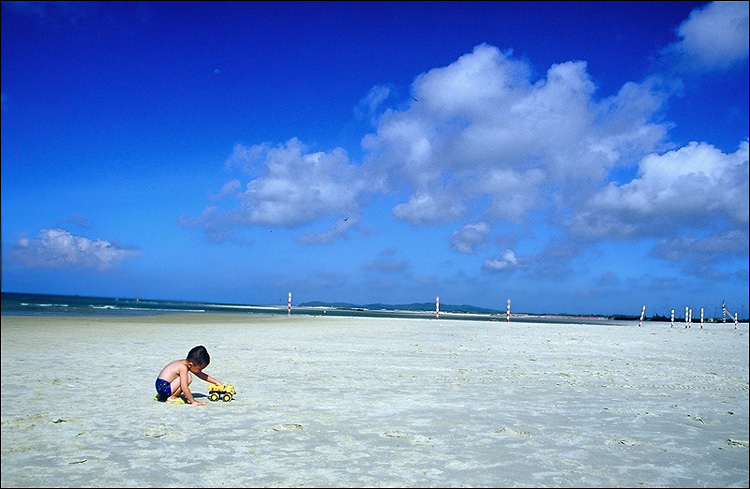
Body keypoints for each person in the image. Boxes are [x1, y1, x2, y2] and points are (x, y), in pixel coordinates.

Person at [155, 345, 222, 405]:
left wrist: (216, 382)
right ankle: (173, 397)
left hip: (160, 386)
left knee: (186, 376)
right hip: (164, 388)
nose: (200, 371)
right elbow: (184, 387)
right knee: (188, 377)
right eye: (199, 369)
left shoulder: (183, 362)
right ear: (190, 365)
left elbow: (201, 375)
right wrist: (193, 401)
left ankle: (161, 396)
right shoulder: (183, 367)